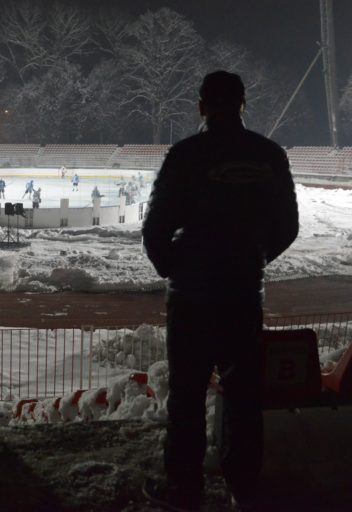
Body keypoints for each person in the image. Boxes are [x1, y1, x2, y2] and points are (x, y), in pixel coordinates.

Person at [141, 70, 299, 511]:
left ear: (201, 106)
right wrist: (252, 260)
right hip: (243, 295)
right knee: (245, 397)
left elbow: (155, 230)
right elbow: (288, 227)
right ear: (243, 104)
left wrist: (179, 267)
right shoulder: (269, 154)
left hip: (192, 297)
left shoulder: (186, 154)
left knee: (187, 397)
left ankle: (183, 490)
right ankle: (244, 487)